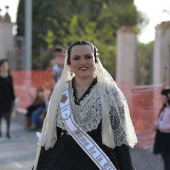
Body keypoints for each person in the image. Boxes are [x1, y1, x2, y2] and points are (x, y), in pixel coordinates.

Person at [33, 40, 137, 170]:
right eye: (77, 58)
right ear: (69, 62)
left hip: (97, 162)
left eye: (88, 57)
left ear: (96, 60)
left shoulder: (110, 92)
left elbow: (120, 139)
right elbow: (50, 136)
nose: (83, 62)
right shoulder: (60, 91)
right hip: (61, 162)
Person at [153, 88, 170, 170]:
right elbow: (159, 121)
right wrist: (156, 125)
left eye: (162, 96)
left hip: (168, 137)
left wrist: (160, 127)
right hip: (162, 136)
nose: (161, 98)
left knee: (168, 158)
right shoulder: (163, 109)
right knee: (164, 158)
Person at [0, 59, 15, 138]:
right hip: (0, 99)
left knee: (8, 116)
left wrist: (13, 99)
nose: (4, 67)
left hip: (8, 99)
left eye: (6, 66)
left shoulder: (9, 77)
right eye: (2, 66)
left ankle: (8, 132)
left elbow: (12, 88)